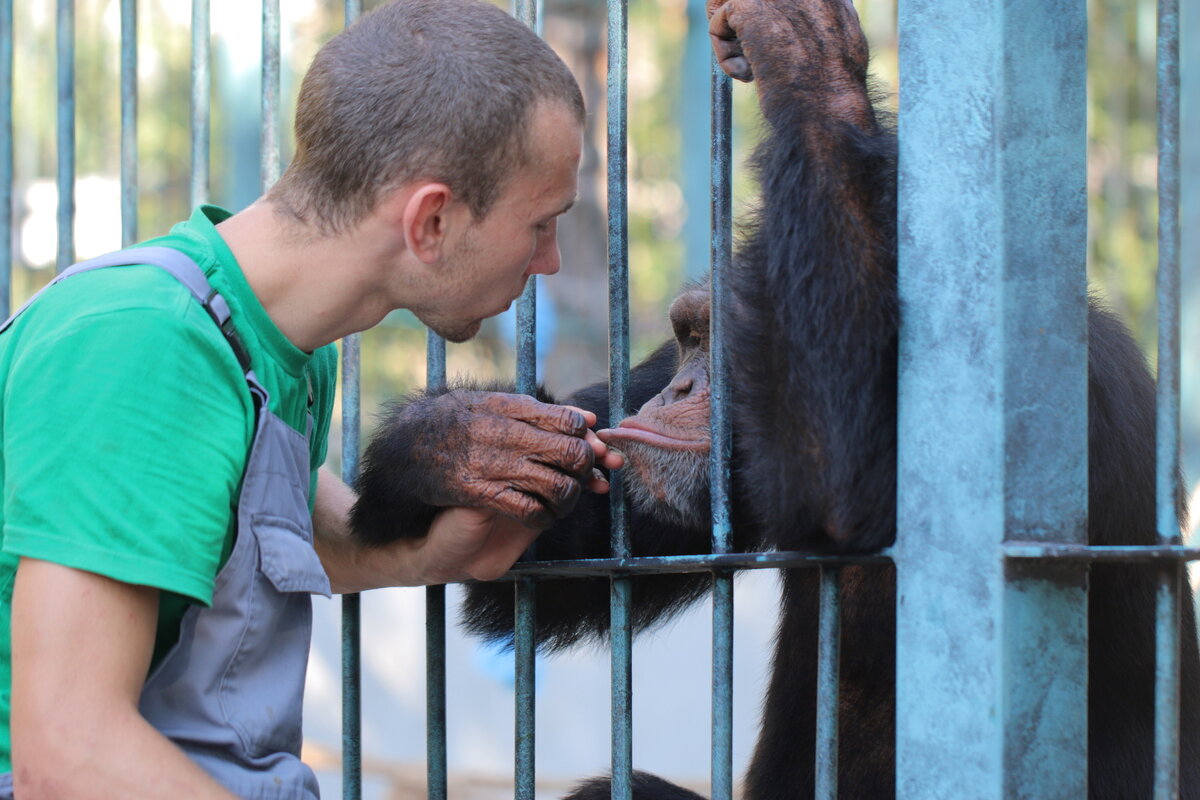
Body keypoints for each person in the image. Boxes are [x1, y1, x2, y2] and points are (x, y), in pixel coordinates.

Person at [0, 0, 619, 796]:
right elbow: (70, 748)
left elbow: (230, 530)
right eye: (540, 223)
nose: (551, 262)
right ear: (430, 221)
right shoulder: (144, 344)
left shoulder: (272, 347)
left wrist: (427, 554)